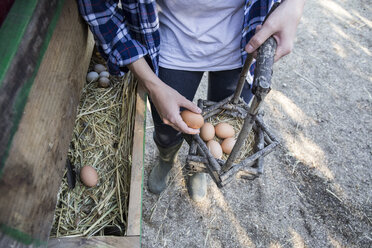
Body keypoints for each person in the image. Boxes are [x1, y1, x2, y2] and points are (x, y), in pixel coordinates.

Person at [78, 0, 305, 201]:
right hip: (171, 45)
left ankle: (200, 165)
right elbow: (98, 9)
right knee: (167, 127)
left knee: (217, 132)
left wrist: (295, 4)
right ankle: (166, 159)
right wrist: (151, 83)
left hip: (242, 48)